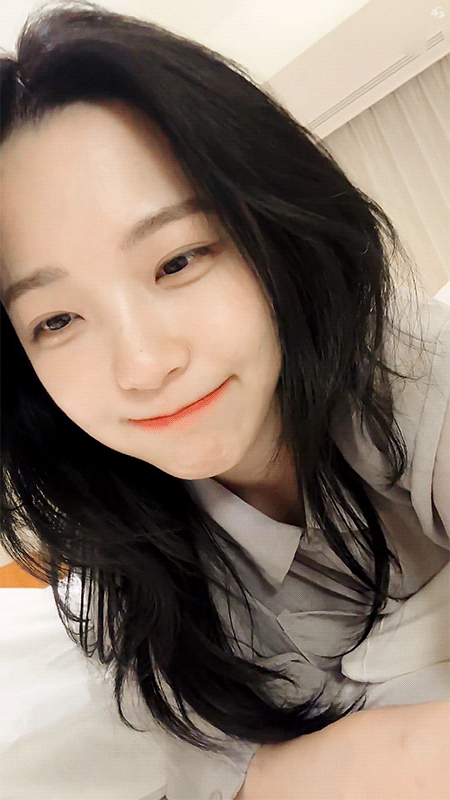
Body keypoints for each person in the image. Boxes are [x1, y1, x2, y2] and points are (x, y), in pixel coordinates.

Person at [1, 3, 449, 798]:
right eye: (57, 320)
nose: (144, 366)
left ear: (273, 229)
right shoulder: (122, 554)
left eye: (177, 261)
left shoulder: (416, 373)